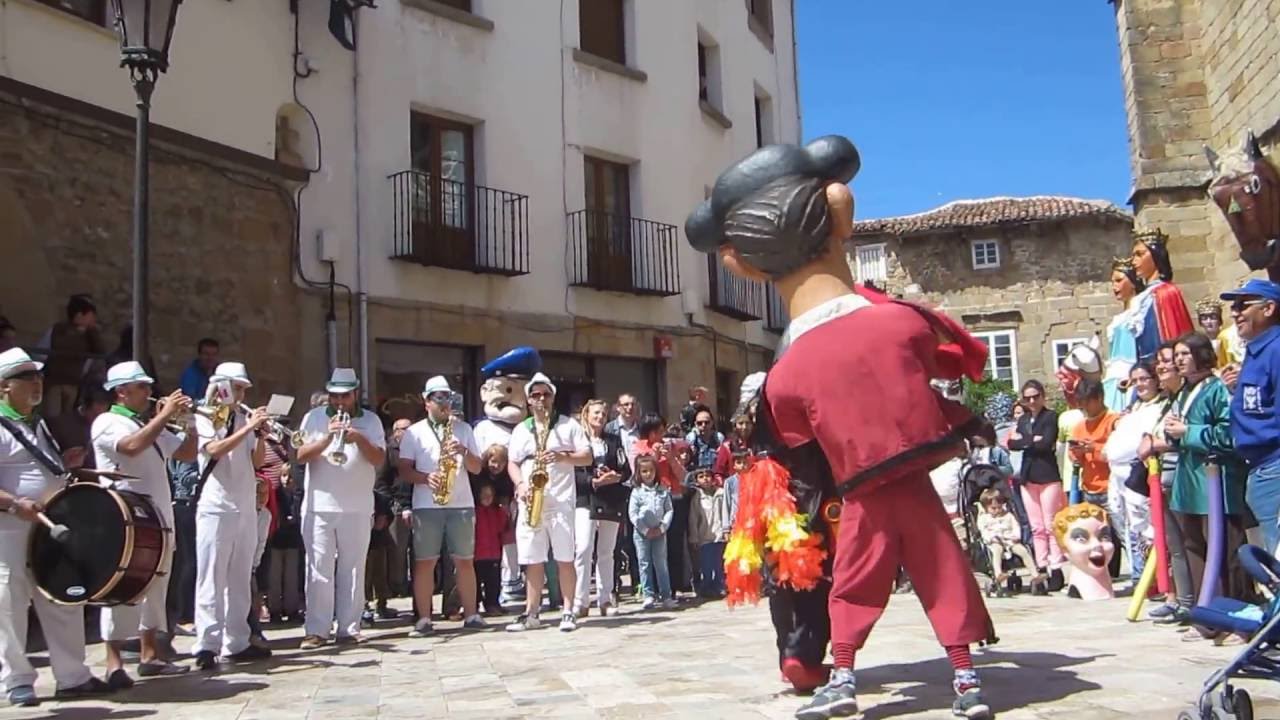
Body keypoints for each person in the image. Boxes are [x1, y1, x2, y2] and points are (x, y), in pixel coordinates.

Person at [685, 136, 993, 720]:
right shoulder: (903, 321)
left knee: (832, 560)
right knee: (939, 566)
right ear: (841, 211)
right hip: (904, 480)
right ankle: (963, 672)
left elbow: (796, 440)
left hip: (857, 488)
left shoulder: (787, 374)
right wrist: (966, 420)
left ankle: (823, 662)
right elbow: (955, 363)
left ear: (740, 263)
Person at [0, 348, 108, 707]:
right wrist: (15, 503)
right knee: (10, 601)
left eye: (39, 377)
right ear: (4, 387)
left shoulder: (37, 423)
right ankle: (17, 680)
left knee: (62, 594)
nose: (37, 383)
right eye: (27, 378)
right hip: (10, 528)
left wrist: (65, 465)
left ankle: (72, 675)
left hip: (48, 524)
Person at [92, 362, 197, 687]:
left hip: (158, 518)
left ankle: (151, 655)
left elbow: (188, 454)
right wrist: (164, 416)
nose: (150, 393)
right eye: (142, 387)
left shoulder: (147, 424)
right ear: (121, 391)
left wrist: (188, 423)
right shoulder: (108, 422)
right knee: (121, 588)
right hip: (125, 518)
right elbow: (131, 448)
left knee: (155, 588)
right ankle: (113, 663)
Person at [1165, 332, 1255, 632]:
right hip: (1188, 481)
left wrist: (1187, 431)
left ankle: (1237, 614)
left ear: (1201, 355)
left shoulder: (1218, 390)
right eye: (1176, 354)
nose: (1178, 359)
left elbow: (1229, 436)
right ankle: (1208, 615)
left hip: (1216, 483)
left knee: (1227, 552)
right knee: (1194, 547)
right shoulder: (1182, 392)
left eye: (1185, 353)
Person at [293, 369, 387, 648]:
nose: (339, 402)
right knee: (318, 567)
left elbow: (379, 459)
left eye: (344, 396)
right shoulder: (313, 418)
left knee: (354, 568)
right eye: (334, 396)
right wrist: (326, 439)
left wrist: (358, 438)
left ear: (355, 393)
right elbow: (299, 456)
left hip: (357, 506)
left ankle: (349, 627)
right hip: (319, 505)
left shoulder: (371, 421)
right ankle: (317, 630)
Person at [192, 362, 273, 670]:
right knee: (211, 575)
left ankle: (236, 641)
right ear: (222, 387)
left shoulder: (242, 418)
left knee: (240, 576)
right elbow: (214, 449)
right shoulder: (205, 417)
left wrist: (261, 435)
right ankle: (206, 645)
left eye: (243, 389)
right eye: (236, 388)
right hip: (216, 505)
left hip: (244, 505)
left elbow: (256, 460)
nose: (240, 394)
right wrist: (248, 429)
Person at [506, 372, 591, 632]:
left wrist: (564, 457)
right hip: (532, 500)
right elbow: (512, 462)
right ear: (529, 400)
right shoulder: (522, 429)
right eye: (535, 395)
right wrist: (520, 484)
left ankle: (568, 610)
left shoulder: (567, 425)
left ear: (553, 398)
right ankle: (532, 613)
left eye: (546, 394)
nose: (541, 399)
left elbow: (587, 457)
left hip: (560, 501)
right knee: (532, 558)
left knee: (565, 557)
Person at [399, 376, 484, 635]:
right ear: (427, 402)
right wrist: (426, 478)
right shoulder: (414, 432)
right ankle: (424, 618)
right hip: (427, 504)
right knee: (425, 562)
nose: (444, 402)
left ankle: (471, 615)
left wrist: (463, 451)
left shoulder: (463, 429)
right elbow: (404, 470)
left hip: (461, 503)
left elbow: (477, 468)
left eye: (447, 397)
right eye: (438, 398)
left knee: (465, 561)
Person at [1221, 280, 1280, 554]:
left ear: (1268, 308)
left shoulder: (1276, 350)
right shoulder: (1258, 351)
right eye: (1233, 306)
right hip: (1259, 467)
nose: (1235, 312)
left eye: (1243, 305)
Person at [1102, 363, 1166, 584]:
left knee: (1150, 527)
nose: (1139, 384)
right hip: (1119, 474)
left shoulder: (1162, 406)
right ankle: (1142, 576)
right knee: (1131, 529)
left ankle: (1158, 578)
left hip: (1142, 472)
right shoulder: (1133, 408)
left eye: (1144, 378)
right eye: (1135, 380)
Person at [572, 399, 630, 617]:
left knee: (606, 551)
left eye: (603, 415)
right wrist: (591, 482)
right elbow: (572, 471)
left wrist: (616, 476)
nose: (599, 417)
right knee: (584, 548)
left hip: (609, 499)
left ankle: (605, 599)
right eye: (596, 413)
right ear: (587, 415)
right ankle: (581, 600)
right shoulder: (578, 440)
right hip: (586, 499)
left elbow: (626, 469)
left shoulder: (613, 441)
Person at [1008, 379, 1065, 591]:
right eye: (1028, 398)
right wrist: (1031, 440)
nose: (1032, 401)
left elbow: (1046, 442)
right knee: (1036, 527)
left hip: (1048, 475)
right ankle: (1041, 567)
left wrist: (1027, 441)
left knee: (1051, 525)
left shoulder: (1050, 417)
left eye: (1035, 397)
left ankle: (1056, 568)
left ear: (1042, 396)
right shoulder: (1022, 419)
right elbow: (1013, 444)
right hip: (1028, 476)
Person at [40, 294, 104, 418]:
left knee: (67, 417)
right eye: (91, 315)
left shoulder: (90, 335)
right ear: (80, 315)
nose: (94, 319)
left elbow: (99, 353)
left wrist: (93, 334)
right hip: (55, 383)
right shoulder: (58, 330)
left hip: (73, 383)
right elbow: (43, 352)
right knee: (53, 417)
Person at [628, 454, 675, 609]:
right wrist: (645, 530)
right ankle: (648, 594)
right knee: (644, 563)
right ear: (639, 473)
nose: (648, 474)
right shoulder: (636, 492)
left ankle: (666, 595)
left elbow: (669, 510)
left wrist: (662, 527)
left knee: (661, 563)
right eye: (644, 471)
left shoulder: (662, 490)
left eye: (651, 471)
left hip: (660, 532)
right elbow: (633, 514)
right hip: (642, 534)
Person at [976, 488, 1041, 597]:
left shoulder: (1008, 515)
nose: (997, 510)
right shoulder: (984, 518)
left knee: (1023, 551)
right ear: (985, 508)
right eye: (993, 508)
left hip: (1009, 539)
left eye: (999, 507)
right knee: (997, 550)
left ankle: (1035, 574)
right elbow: (983, 532)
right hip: (994, 541)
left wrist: (1016, 537)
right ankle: (998, 574)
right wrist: (991, 538)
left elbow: (1016, 527)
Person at [1067, 379, 1120, 508]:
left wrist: (1094, 449)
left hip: (1112, 489)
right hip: (1088, 489)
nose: (1084, 407)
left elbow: (1120, 453)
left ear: (1100, 398)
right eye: (1080, 402)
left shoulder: (1114, 421)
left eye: (1087, 402)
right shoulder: (1079, 426)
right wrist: (1076, 453)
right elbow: (1075, 458)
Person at [686, 466, 730, 598]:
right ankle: (706, 587)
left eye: (707, 476)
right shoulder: (697, 497)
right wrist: (693, 537)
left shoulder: (721, 494)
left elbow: (726, 512)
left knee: (719, 564)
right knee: (706, 565)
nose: (705, 479)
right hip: (704, 536)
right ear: (697, 480)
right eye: (701, 476)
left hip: (720, 534)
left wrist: (726, 530)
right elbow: (693, 518)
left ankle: (720, 586)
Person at [473, 483, 508, 615]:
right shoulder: (474, 511)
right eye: (484, 495)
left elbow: (502, 527)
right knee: (475, 581)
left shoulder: (497, 511)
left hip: (494, 553)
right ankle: (473, 604)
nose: (487, 498)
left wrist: (504, 512)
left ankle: (493, 604)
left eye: (490, 495)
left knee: (493, 582)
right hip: (477, 554)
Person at [685, 405, 724, 472]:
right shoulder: (691, 439)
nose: (703, 425)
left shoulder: (718, 438)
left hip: (714, 477)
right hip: (697, 476)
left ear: (712, 423)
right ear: (695, 424)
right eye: (700, 423)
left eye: (706, 422)